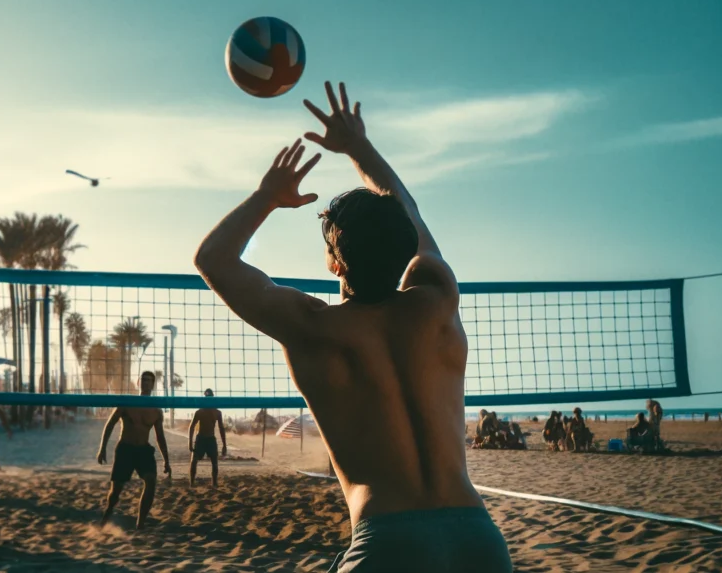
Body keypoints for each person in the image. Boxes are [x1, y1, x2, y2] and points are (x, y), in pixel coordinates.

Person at [193, 81, 512, 572]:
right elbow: (408, 211)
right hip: (478, 539)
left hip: (387, 542)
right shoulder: (438, 301)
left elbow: (213, 259)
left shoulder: (314, 329)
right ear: (404, 250)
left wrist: (267, 196)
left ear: (334, 264)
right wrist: (358, 147)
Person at [96, 371, 172, 530]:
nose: (145, 383)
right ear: (138, 383)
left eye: (149, 381)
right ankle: (107, 514)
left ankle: (141, 524)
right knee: (115, 492)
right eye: (143, 380)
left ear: (153, 385)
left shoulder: (156, 410)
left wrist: (166, 460)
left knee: (151, 482)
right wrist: (102, 448)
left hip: (144, 450)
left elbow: (160, 437)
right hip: (125, 449)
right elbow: (110, 424)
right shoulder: (127, 403)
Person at [188, 388, 227, 488]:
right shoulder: (200, 412)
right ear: (204, 398)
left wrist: (224, 445)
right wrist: (190, 442)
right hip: (200, 439)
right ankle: (192, 483)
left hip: (211, 439)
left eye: (210, 397)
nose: (208, 399)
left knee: (215, 462)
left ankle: (214, 483)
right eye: (207, 398)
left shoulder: (217, 412)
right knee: (194, 460)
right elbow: (191, 426)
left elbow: (221, 428)